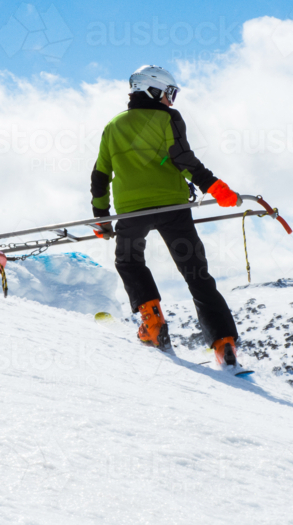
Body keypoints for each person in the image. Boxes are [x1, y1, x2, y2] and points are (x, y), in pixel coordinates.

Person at [90, 65, 243, 369]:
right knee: (197, 274)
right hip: (173, 209)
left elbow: (100, 175)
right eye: (169, 93)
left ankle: (153, 324)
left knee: (129, 262)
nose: (171, 101)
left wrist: (102, 218)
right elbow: (183, 159)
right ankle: (223, 343)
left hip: (132, 212)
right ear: (152, 90)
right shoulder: (168, 119)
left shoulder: (112, 126)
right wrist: (215, 187)